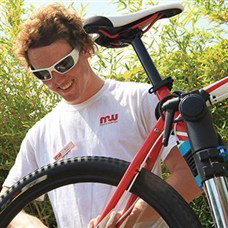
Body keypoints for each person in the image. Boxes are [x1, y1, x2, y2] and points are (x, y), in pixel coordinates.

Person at [0, 4, 201, 228]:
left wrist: (129, 217)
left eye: (64, 65)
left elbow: (191, 176)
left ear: (85, 49)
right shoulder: (39, 134)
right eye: (43, 74)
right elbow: (7, 203)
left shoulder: (139, 99)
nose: (56, 79)